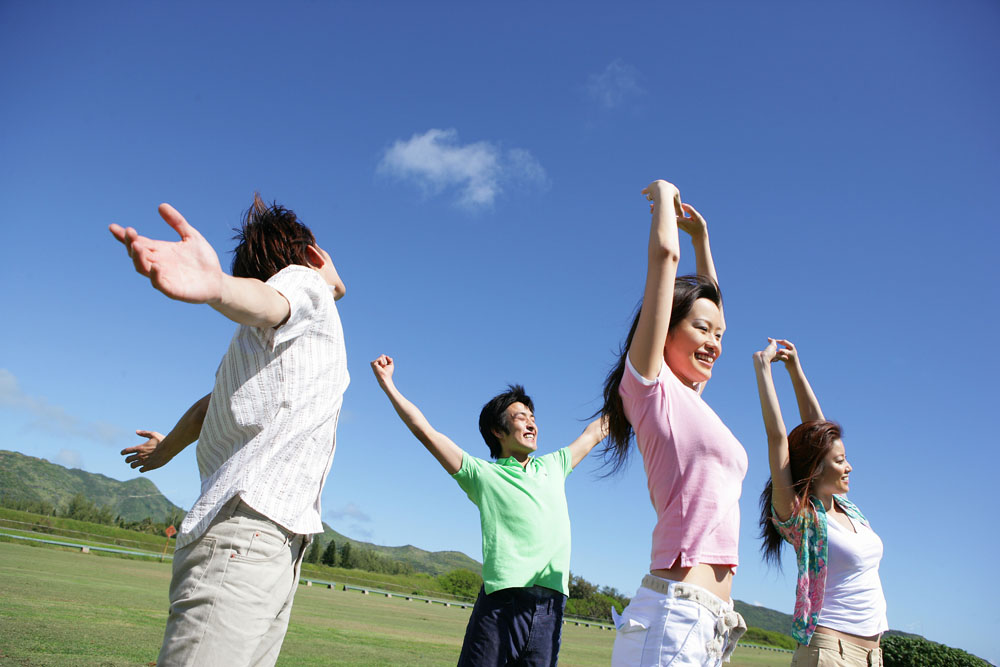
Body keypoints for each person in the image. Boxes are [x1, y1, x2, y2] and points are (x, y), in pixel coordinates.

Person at [110, 194, 349, 666]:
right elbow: (274, 298)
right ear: (313, 253)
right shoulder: (305, 281)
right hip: (250, 536)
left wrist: (165, 450)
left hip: (265, 540)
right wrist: (217, 285)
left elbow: (207, 408)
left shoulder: (263, 344)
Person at [370, 354, 606, 666]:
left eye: (532, 417)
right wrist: (388, 384)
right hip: (502, 604)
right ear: (498, 430)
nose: (531, 423)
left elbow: (597, 431)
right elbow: (425, 431)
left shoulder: (555, 464)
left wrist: (645, 379)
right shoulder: (481, 475)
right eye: (520, 417)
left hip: (551, 608)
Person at [599, 179, 747, 666]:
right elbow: (665, 258)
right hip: (673, 617)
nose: (714, 342)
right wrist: (665, 195)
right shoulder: (649, 387)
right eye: (700, 329)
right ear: (666, 329)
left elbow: (714, 309)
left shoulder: (691, 400)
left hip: (709, 623)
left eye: (719, 335)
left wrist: (703, 240)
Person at [754, 339, 887, 667]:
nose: (849, 467)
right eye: (840, 461)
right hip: (829, 653)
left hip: (872, 656)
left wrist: (795, 370)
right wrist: (763, 368)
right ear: (815, 469)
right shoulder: (801, 519)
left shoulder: (848, 509)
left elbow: (818, 431)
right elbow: (777, 438)